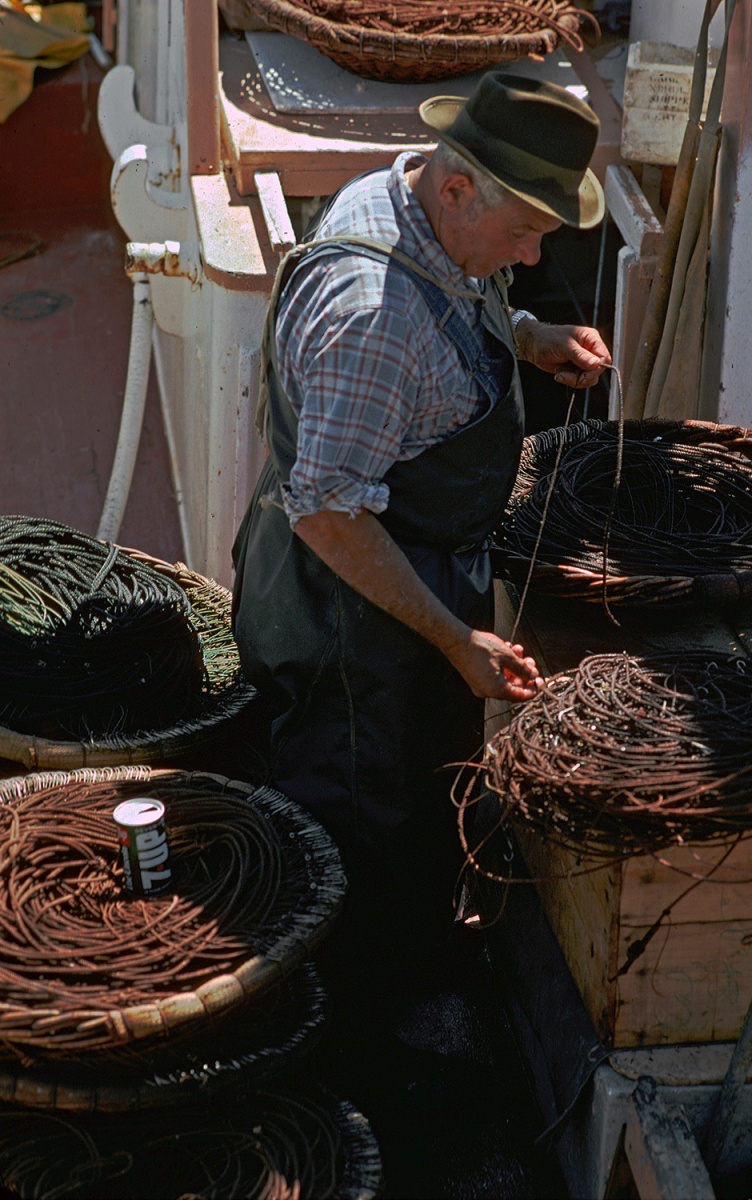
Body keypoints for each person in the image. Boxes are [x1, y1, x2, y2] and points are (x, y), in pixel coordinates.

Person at [232, 72, 611, 946]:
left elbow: (455, 300)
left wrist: (526, 335)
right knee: (362, 829)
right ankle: (363, 1034)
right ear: (455, 188)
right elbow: (328, 513)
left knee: (410, 798)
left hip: (398, 583)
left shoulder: (404, 198)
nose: (528, 259)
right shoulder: (372, 317)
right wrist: (453, 636)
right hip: (349, 624)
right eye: (522, 233)